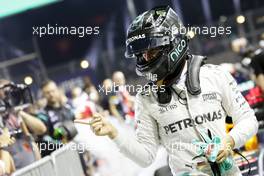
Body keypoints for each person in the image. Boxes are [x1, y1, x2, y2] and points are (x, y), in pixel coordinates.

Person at [75, 6, 258, 176]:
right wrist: (114, 133)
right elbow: (146, 157)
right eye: (140, 55)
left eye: (151, 52)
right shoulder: (146, 98)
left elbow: (248, 120)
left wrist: (229, 141)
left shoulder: (214, 76)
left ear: (174, 44)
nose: (145, 59)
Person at [0, 79, 47, 169]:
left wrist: (19, 112)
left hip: (34, 168)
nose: (9, 95)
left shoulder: (16, 115)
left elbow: (41, 129)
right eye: (6, 92)